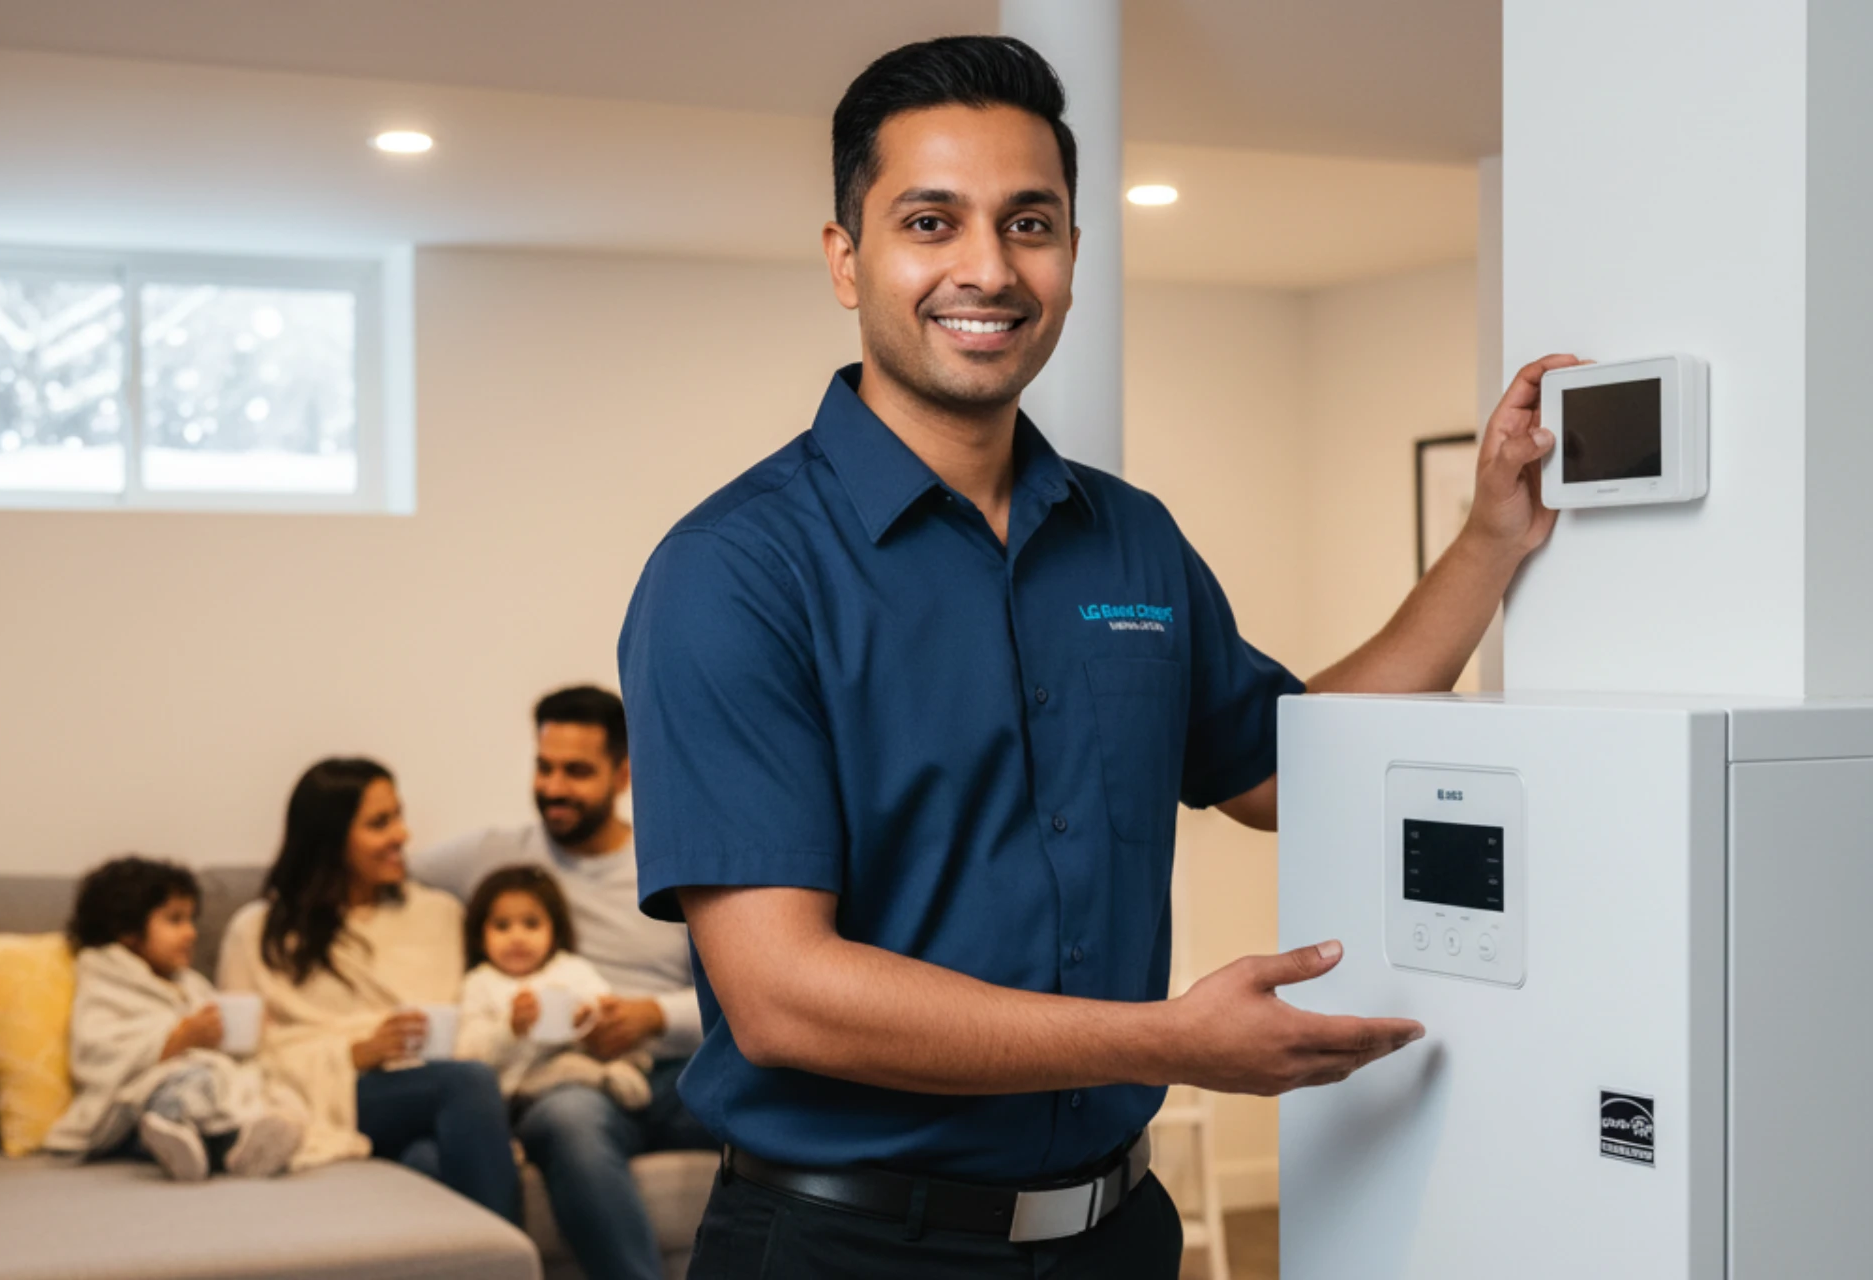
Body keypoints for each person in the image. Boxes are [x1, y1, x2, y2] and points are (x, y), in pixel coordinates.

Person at [617, 35, 1577, 1278]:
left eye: (1031, 223)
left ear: (1073, 253)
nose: (989, 268)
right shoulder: (733, 573)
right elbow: (782, 993)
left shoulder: (1130, 539)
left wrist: (1491, 541)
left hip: (1113, 1237)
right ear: (846, 259)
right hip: (844, 1244)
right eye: (929, 220)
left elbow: (1298, 768)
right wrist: (1165, 1039)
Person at [416, 685, 716, 1280]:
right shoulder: (496, 856)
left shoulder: (674, 861)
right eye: (544, 767)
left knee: (785, 1096)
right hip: (565, 1078)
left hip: (672, 1070)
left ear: (624, 774)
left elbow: (734, 991)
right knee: (570, 1119)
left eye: (576, 772)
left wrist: (652, 1016)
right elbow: (383, 871)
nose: (553, 788)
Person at [217, 758, 521, 1222]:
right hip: (333, 1095)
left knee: (426, 1160)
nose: (402, 835)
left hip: (424, 1088)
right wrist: (353, 1053)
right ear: (330, 839)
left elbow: (472, 1015)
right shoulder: (256, 932)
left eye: (398, 816)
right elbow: (240, 1064)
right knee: (466, 1083)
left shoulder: (439, 915)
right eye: (380, 823)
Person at [44, 855, 305, 1181]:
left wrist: (243, 1030)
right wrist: (175, 1040)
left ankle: (233, 1148)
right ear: (126, 929)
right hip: (133, 1106)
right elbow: (97, 1049)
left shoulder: (189, 982)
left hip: (200, 1094)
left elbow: (218, 1041)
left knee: (235, 1090)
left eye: (191, 920)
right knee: (182, 1084)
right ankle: (173, 1124)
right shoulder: (106, 976)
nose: (191, 933)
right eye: (175, 920)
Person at [456, 864, 653, 1108]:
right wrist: (510, 1028)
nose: (517, 937)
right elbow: (466, 1052)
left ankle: (613, 1076)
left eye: (531, 924)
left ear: (555, 930)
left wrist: (592, 1019)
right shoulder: (479, 982)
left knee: (577, 1065)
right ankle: (606, 1078)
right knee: (565, 1074)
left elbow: (599, 1004)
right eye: (502, 925)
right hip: (513, 1091)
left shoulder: (571, 969)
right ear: (479, 935)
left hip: (576, 1065)